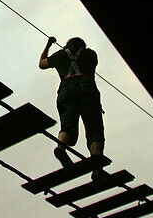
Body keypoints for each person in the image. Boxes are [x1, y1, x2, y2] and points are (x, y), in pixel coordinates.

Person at [39, 35, 106, 179]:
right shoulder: (90, 54)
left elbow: (42, 64)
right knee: (94, 129)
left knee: (68, 127)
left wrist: (48, 45)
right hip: (87, 90)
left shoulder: (60, 55)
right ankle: (97, 167)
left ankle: (61, 146)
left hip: (65, 91)